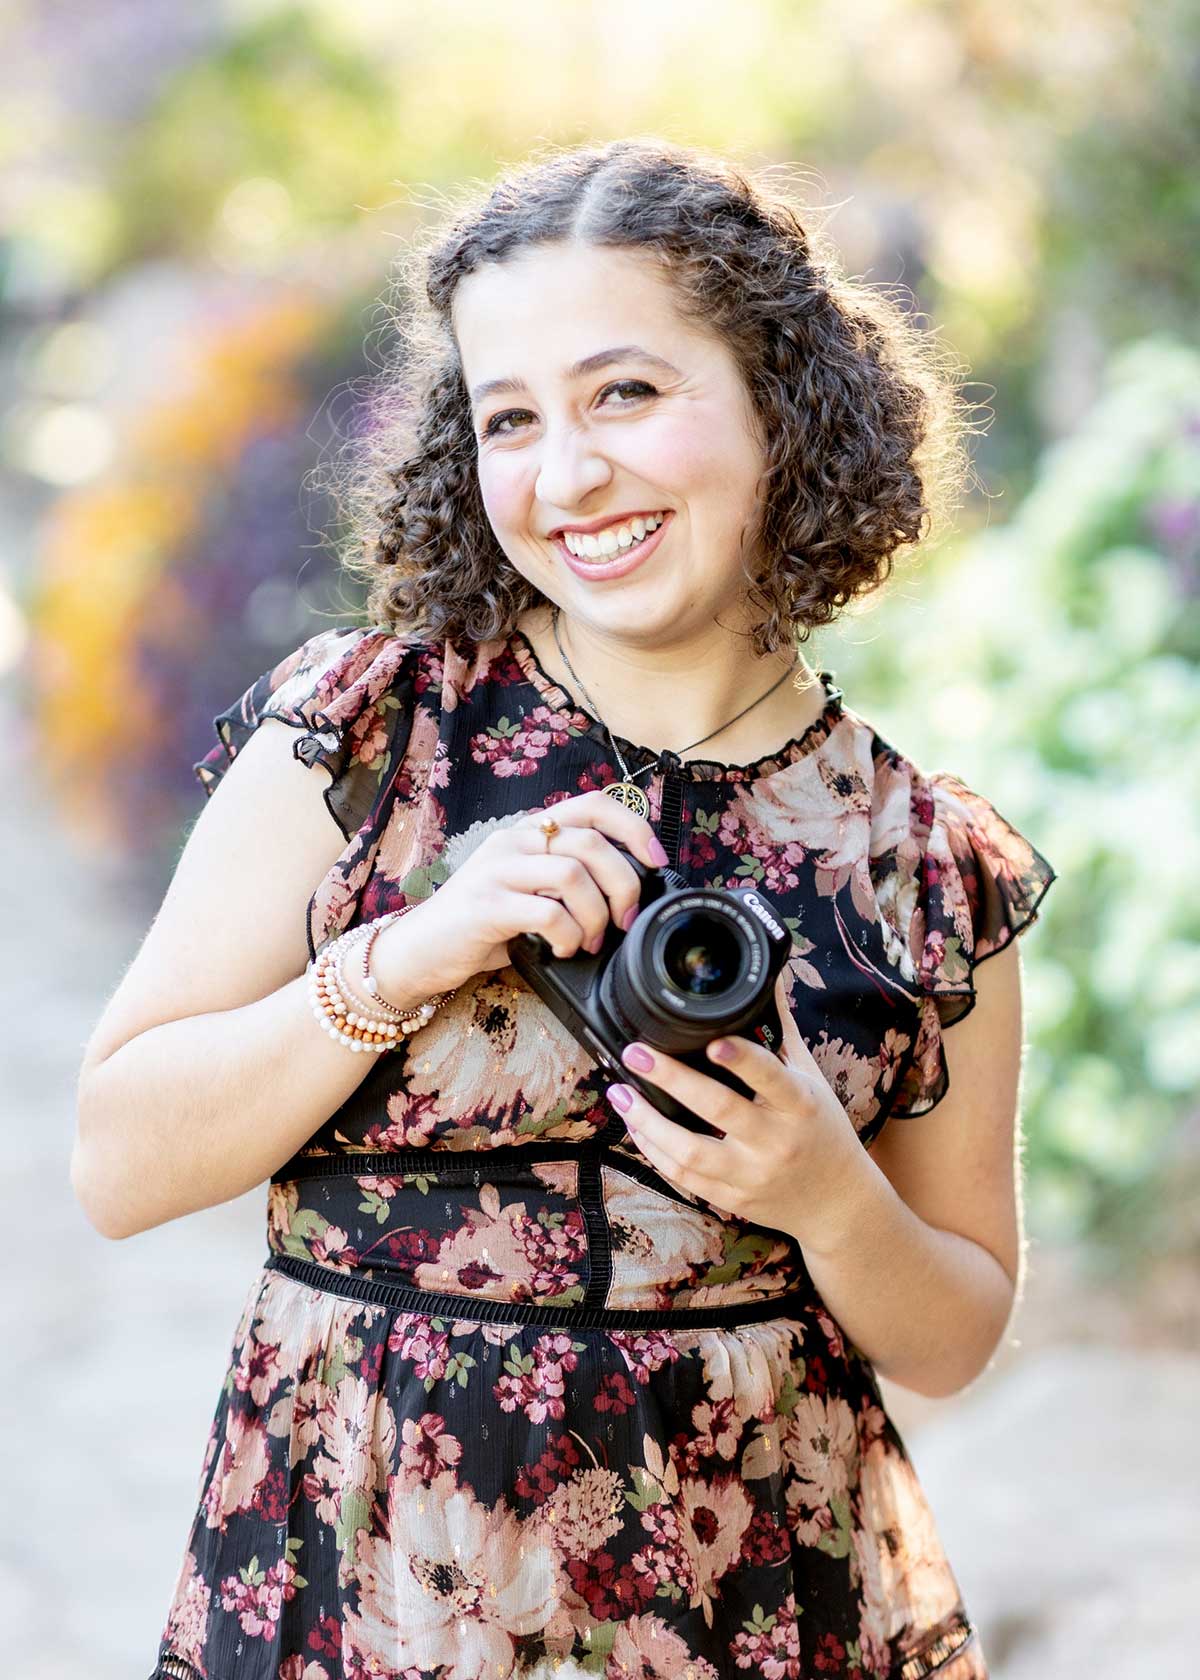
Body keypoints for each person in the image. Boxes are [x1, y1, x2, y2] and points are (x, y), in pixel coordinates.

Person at [73, 139, 1056, 1680]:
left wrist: (821, 1191)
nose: (566, 474)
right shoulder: (368, 731)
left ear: (778, 400)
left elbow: (953, 1337)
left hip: (752, 1605)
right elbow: (118, 1163)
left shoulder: (916, 859)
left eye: (625, 394)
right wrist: (401, 958)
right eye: (508, 419)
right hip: (364, 1583)